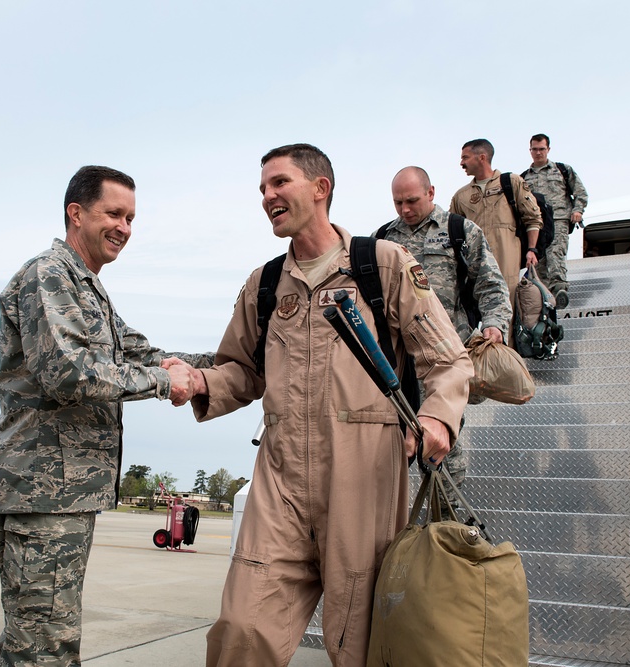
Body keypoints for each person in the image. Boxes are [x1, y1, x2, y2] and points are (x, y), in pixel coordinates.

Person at [169, 144, 473, 666]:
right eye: (263, 188)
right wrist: (199, 380)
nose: (267, 196)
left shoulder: (382, 264)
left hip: (364, 475)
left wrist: (437, 417)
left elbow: (447, 360)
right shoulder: (265, 284)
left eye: (279, 183)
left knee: (358, 641)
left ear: (320, 188)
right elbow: (242, 370)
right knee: (243, 624)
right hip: (281, 476)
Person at [0, 165, 214, 667]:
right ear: (76, 213)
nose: (124, 227)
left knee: (33, 641)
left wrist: (224, 364)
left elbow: (141, 354)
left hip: (64, 495)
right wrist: (162, 383)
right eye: (114, 213)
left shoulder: (88, 288)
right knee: (44, 646)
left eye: (131, 218)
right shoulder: (49, 275)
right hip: (42, 491)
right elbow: (68, 371)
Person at [379, 166, 511, 505]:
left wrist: (495, 323)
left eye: (411, 200)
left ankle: (449, 513)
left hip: (443, 356)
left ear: (431, 192)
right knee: (392, 439)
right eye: (398, 203)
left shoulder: (459, 231)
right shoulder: (383, 238)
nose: (405, 210)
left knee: (439, 438)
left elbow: (491, 284)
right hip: (396, 360)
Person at [449, 138, 542, 302]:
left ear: (481, 157)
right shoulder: (461, 196)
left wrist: (532, 250)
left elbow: (533, 219)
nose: (461, 163)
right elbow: (451, 231)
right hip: (474, 264)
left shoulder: (511, 183)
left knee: (507, 305)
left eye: (465, 157)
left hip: (506, 260)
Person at [522, 133, 589, 308]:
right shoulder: (523, 178)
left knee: (555, 254)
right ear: (530, 150)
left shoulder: (562, 170)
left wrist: (577, 211)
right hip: (536, 225)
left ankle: (559, 289)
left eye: (542, 149)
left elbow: (580, 193)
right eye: (535, 149)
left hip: (558, 219)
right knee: (538, 262)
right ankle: (543, 296)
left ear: (548, 149)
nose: (538, 153)